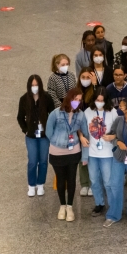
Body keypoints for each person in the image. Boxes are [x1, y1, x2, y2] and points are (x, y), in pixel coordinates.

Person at [45, 88, 89, 221]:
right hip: (57, 151)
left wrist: (80, 136)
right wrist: (57, 141)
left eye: (79, 100)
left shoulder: (81, 115)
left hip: (73, 151)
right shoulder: (55, 113)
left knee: (71, 179)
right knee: (60, 179)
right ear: (69, 98)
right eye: (75, 99)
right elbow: (48, 131)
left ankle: (70, 207)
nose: (77, 102)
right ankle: (62, 205)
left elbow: (85, 131)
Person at [83, 88, 118, 217]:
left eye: (102, 101)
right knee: (94, 180)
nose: (99, 103)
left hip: (107, 153)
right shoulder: (87, 112)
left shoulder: (112, 112)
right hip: (92, 153)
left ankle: (112, 204)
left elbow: (119, 130)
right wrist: (81, 137)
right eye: (97, 100)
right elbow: (81, 128)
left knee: (108, 181)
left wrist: (113, 137)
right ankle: (99, 204)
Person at [18, 75, 55, 197]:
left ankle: (41, 184)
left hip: (44, 136)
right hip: (31, 136)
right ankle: (31, 185)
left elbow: (53, 114)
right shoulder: (24, 99)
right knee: (33, 161)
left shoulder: (47, 98)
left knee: (43, 161)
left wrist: (49, 130)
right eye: (32, 85)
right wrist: (26, 130)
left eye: (36, 85)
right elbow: (20, 117)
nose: (35, 87)